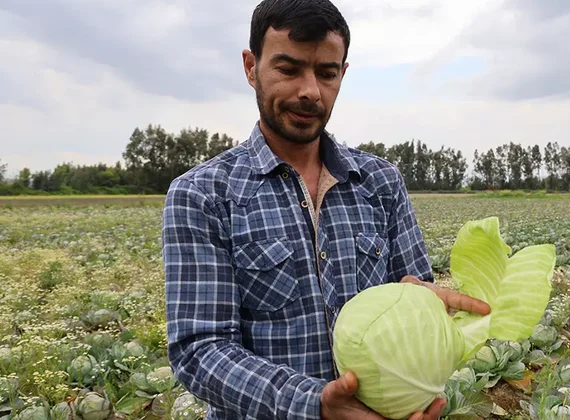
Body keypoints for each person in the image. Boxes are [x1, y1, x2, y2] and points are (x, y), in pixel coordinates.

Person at [161, 0, 491, 419]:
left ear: (343, 74)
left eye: (326, 73)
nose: (310, 91)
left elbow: (413, 299)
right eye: (288, 69)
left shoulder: (381, 182)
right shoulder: (202, 194)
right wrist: (314, 405)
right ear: (250, 67)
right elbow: (199, 351)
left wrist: (426, 308)